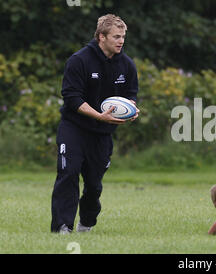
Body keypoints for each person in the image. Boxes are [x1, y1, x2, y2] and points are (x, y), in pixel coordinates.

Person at [51, 14, 139, 234]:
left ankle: (87, 223)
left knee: (94, 184)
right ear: (101, 37)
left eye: (123, 37)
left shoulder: (127, 65)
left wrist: (132, 111)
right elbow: (72, 98)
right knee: (68, 173)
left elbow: (131, 96)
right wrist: (98, 115)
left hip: (102, 133)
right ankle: (62, 226)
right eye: (116, 37)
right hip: (74, 128)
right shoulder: (79, 61)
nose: (121, 41)